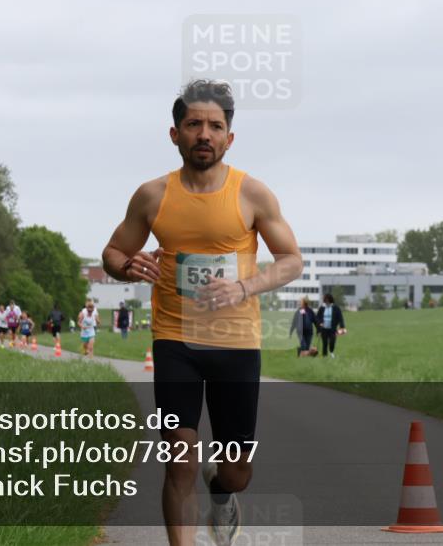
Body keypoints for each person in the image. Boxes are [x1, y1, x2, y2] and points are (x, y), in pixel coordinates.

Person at [101, 79, 302, 546]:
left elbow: (291, 260)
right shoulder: (152, 196)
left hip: (235, 342)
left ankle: (221, 491)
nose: (204, 134)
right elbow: (113, 252)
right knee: (179, 459)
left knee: (237, 471)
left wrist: (244, 286)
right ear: (175, 134)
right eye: (194, 124)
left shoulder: (252, 194)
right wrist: (127, 268)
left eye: (215, 126)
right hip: (176, 341)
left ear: (230, 137)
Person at [315, 293, 345, 358]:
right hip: (324, 329)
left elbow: (340, 317)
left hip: (332, 329)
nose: (326, 302)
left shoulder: (336, 307)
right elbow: (317, 318)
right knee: (325, 343)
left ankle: (331, 352)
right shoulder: (322, 308)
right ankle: (324, 356)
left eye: (328, 300)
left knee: (332, 341)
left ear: (330, 300)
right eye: (325, 301)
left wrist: (342, 326)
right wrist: (320, 323)